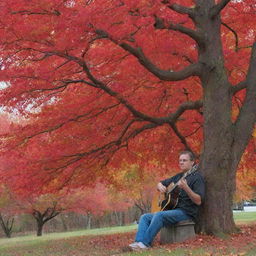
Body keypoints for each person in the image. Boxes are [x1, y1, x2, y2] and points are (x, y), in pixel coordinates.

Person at [128, 151, 205, 251]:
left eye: (184, 160)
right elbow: (161, 183)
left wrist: (186, 188)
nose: (181, 162)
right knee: (144, 217)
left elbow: (198, 201)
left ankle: (144, 244)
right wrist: (160, 186)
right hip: (173, 210)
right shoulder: (178, 177)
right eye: (180, 160)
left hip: (186, 212)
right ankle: (138, 242)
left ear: (192, 162)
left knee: (159, 215)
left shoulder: (197, 178)